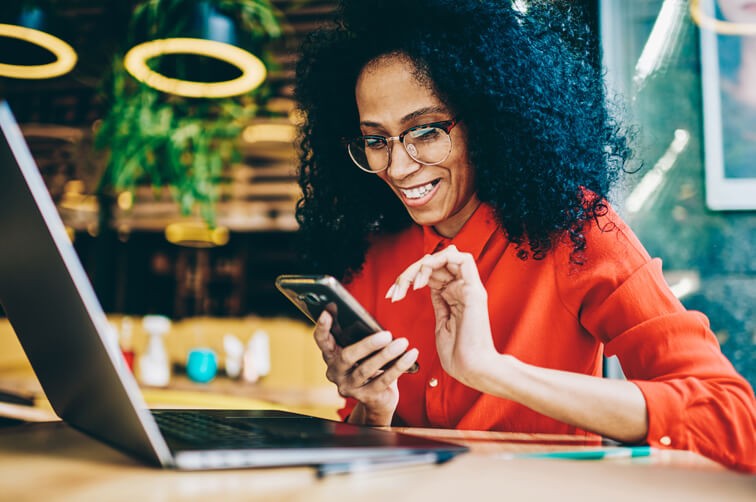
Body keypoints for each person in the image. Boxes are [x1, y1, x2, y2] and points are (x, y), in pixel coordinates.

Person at [293, 0, 755, 472]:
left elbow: (732, 421)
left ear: (488, 118)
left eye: (426, 131)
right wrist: (372, 410)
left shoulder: (574, 229)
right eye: (376, 140)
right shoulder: (371, 256)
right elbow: (371, 452)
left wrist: (494, 371)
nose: (398, 166)